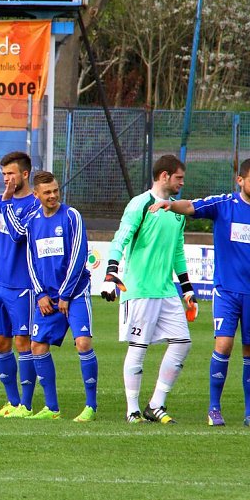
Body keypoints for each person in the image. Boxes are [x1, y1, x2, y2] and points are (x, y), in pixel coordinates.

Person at [150, 157, 250, 428]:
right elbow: (192, 206)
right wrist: (169, 204)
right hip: (227, 292)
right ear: (240, 180)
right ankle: (214, 409)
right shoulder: (223, 204)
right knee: (224, 345)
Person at [102, 154, 195, 424]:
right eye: (179, 178)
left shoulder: (177, 211)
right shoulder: (140, 204)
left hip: (167, 291)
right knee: (139, 348)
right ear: (165, 176)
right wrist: (111, 272)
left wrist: (187, 288)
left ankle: (156, 404)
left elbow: (178, 251)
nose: (182, 183)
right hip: (140, 290)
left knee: (183, 343)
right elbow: (120, 239)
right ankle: (132, 410)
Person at [3, 171, 98, 422]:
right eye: (47, 192)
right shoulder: (33, 221)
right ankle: (51, 408)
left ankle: (91, 406)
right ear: (36, 195)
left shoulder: (71, 216)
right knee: (37, 346)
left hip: (75, 294)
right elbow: (31, 261)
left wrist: (65, 294)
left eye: (55, 190)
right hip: (47, 297)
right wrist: (40, 294)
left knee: (83, 343)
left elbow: (78, 257)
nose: (53, 195)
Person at [0, 151, 41, 418]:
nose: (6, 179)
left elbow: (18, 234)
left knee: (22, 342)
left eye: (11, 174)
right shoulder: (0, 201)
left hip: (22, 285)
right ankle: (12, 402)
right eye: (4, 174)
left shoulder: (35, 205)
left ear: (25, 174)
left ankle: (26, 405)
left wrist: (4, 204)